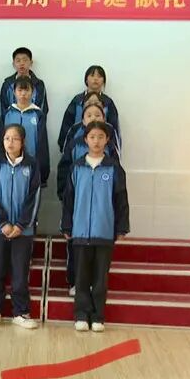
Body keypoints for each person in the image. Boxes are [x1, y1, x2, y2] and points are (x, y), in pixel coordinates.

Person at [61, 122, 130, 333]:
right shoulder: (76, 167)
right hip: (80, 232)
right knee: (81, 277)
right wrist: (67, 225)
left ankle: (98, 316)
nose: (96, 141)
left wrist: (121, 227)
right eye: (92, 137)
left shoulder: (114, 168)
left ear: (107, 140)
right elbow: (68, 200)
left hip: (104, 231)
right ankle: (81, 315)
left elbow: (121, 200)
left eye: (101, 137)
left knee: (100, 279)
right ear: (86, 140)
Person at [56, 102, 119, 296]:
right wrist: (64, 195)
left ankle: (95, 286)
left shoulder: (110, 147)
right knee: (76, 247)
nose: (93, 118)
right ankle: (75, 282)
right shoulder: (74, 144)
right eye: (89, 115)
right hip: (79, 206)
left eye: (97, 115)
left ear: (104, 119)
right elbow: (64, 169)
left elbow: (117, 182)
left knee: (99, 254)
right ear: (82, 120)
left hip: (101, 212)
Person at [0, 125, 41, 329]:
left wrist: (21, 224)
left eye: (15, 139)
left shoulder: (31, 164)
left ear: (23, 142)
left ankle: (21, 312)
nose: (10, 142)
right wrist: (2, 223)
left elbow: (35, 197)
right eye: (7, 138)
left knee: (20, 273)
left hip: (22, 231)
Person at [0, 76, 50, 187]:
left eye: (26, 90)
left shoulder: (38, 114)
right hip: (8, 164)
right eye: (20, 90)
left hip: (30, 164)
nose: (23, 94)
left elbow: (42, 142)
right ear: (14, 92)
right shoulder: (7, 113)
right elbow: (0, 139)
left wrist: (42, 170)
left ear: (33, 92)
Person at [58, 65, 121, 150]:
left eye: (99, 76)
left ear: (103, 81)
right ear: (86, 80)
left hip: (102, 148)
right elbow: (66, 125)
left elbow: (115, 129)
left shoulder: (108, 102)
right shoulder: (77, 101)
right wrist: (65, 148)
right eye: (92, 75)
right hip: (78, 146)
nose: (95, 79)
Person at [0, 47, 49, 118]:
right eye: (18, 61)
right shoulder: (7, 84)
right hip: (11, 123)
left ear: (31, 63)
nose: (22, 63)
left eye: (25, 60)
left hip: (32, 122)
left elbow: (43, 109)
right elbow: (3, 108)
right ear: (13, 64)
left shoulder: (39, 84)